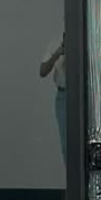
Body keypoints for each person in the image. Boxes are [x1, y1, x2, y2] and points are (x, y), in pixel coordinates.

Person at [40, 33, 67, 163]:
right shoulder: (55, 44)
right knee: (66, 143)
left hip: (86, 96)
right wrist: (57, 54)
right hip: (64, 96)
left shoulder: (88, 41)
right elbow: (42, 72)